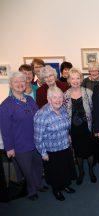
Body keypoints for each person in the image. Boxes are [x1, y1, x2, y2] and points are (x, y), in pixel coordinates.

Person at [0, 72, 45, 201]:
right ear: (10, 84)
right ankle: (31, 191)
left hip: (36, 141)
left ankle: (39, 184)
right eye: (16, 82)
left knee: (37, 165)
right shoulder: (6, 105)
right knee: (27, 170)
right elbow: (5, 129)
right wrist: (9, 148)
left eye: (22, 81)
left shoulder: (30, 100)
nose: (20, 84)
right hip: (20, 145)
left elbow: (39, 117)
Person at [34, 86, 76, 201]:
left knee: (65, 169)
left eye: (60, 97)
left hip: (65, 146)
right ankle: (56, 190)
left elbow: (66, 125)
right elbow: (38, 137)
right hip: (51, 150)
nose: (58, 100)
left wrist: (68, 135)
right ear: (48, 99)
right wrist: (43, 153)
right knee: (55, 172)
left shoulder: (62, 109)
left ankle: (65, 185)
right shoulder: (41, 114)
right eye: (54, 98)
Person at [64, 68, 96, 185]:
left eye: (78, 78)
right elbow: (64, 114)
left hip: (87, 127)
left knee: (89, 152)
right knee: (78, 152)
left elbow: (94, 111)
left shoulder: (88, 92)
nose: (75, 81)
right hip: (74, 129)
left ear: (81, 79)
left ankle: (91, 171)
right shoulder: (65, 95)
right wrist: (67, 132)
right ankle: (81, 172)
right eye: (72, 78)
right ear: (69, 80)